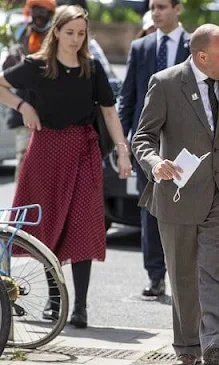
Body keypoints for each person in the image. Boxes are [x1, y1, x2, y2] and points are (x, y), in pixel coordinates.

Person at [132, 24, 219, 365]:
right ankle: (187, 349)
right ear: (201, 57)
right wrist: (155, 163)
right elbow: (142, 136)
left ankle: (215, 343)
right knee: (183, 274)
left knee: (212, 266)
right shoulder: (166, 82)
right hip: (178, 193)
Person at [0, 5, 132, 328]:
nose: (75, 39)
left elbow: (110, 112)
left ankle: (81, 307)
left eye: (81, 33)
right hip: (45, 149)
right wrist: (23, 105)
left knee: (84, 224)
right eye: (69, 32)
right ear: (56, 31)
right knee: (47, 226)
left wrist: (122, 150)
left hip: (83, 149)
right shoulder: (37, 66)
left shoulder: (92, 68)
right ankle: (55, 299)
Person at [119, 0, 191, 298]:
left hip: (186, 143)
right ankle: (155, 275)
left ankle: (184, 274)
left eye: (162, 6)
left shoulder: (194, 44)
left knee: (186, 208)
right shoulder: (142, 47)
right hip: (148, 144)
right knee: (151, 209)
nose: (156, 12)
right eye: (152, 7)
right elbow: (128, 97)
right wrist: (122, 142)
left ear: (178, 8)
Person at [2, 0, 56, 180]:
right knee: (24, 164)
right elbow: (9, 75)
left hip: (51, 116)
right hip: (24, 116)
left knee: (49, 171)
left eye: (42, 11)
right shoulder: (22, 36)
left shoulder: (57, 37)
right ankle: (22, 207)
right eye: (34, 10)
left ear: (50, 14)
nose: (37, 15)